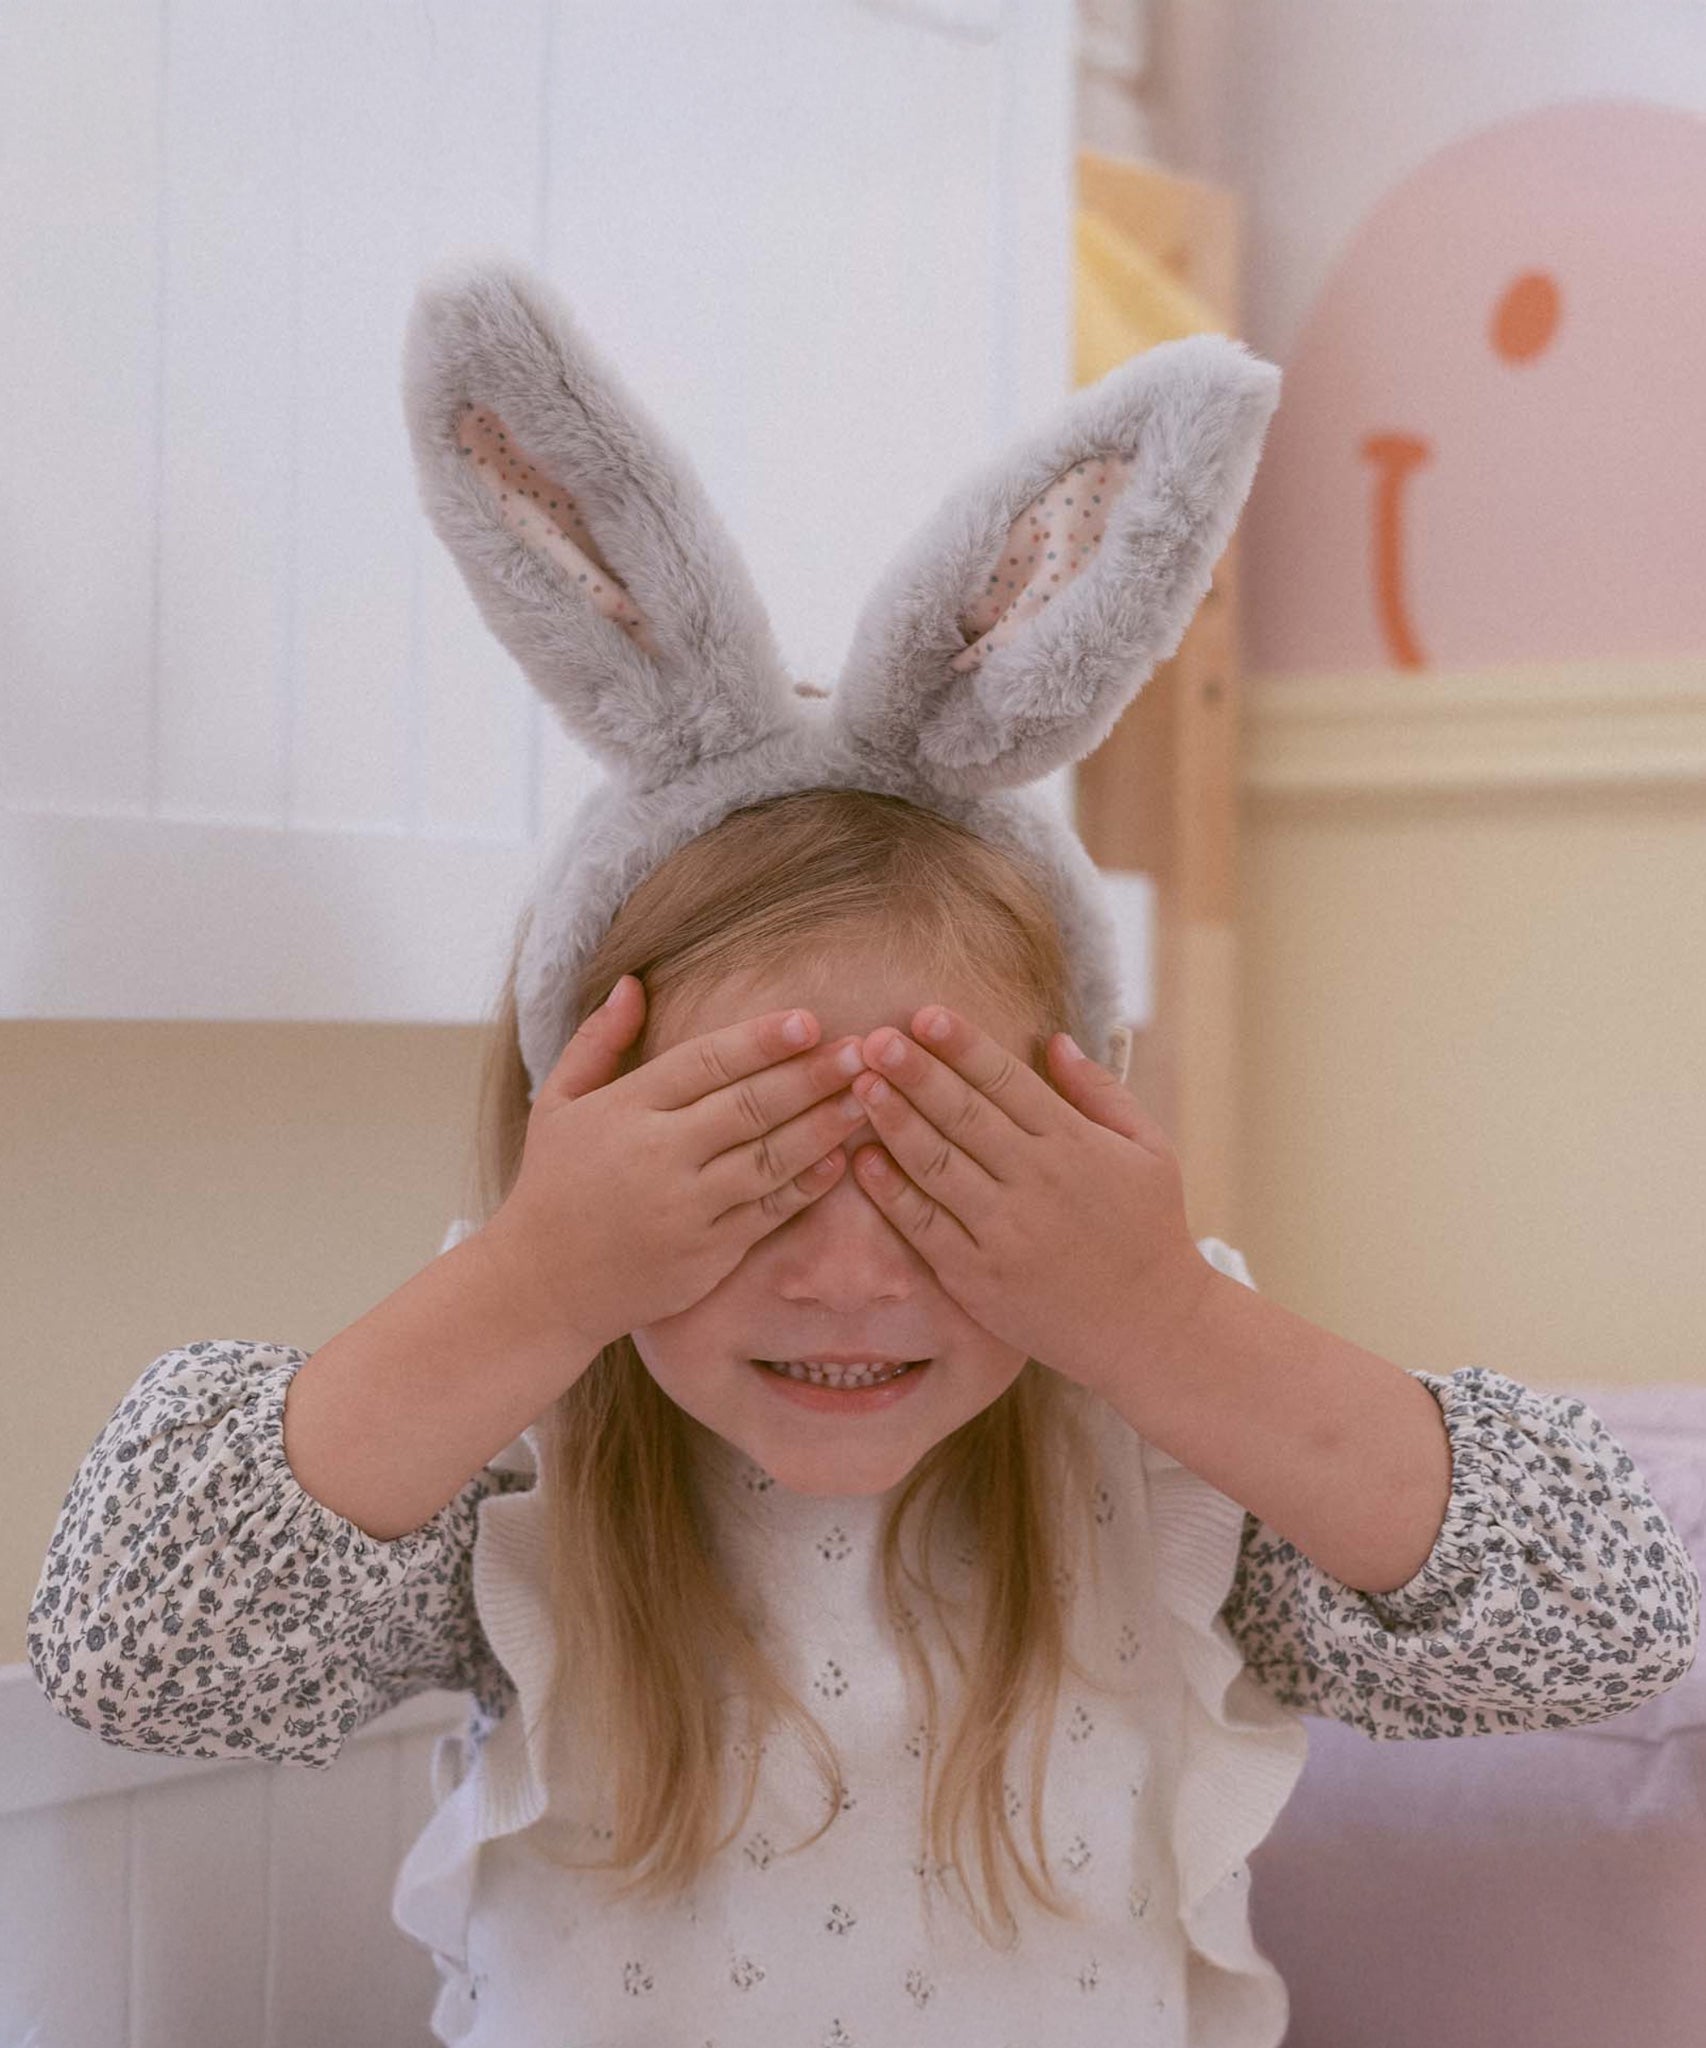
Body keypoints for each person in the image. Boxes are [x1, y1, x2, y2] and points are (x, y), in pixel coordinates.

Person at [28, 260, 1700, 2047]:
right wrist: (531, 1279)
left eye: (939, 1176)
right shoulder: (536, 1425)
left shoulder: (1156, 1447)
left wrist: (1162, 1326)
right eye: (741, 1185)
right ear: (584, 1176)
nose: (846, 1274)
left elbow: (1602, 1622)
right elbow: (137, 1653)